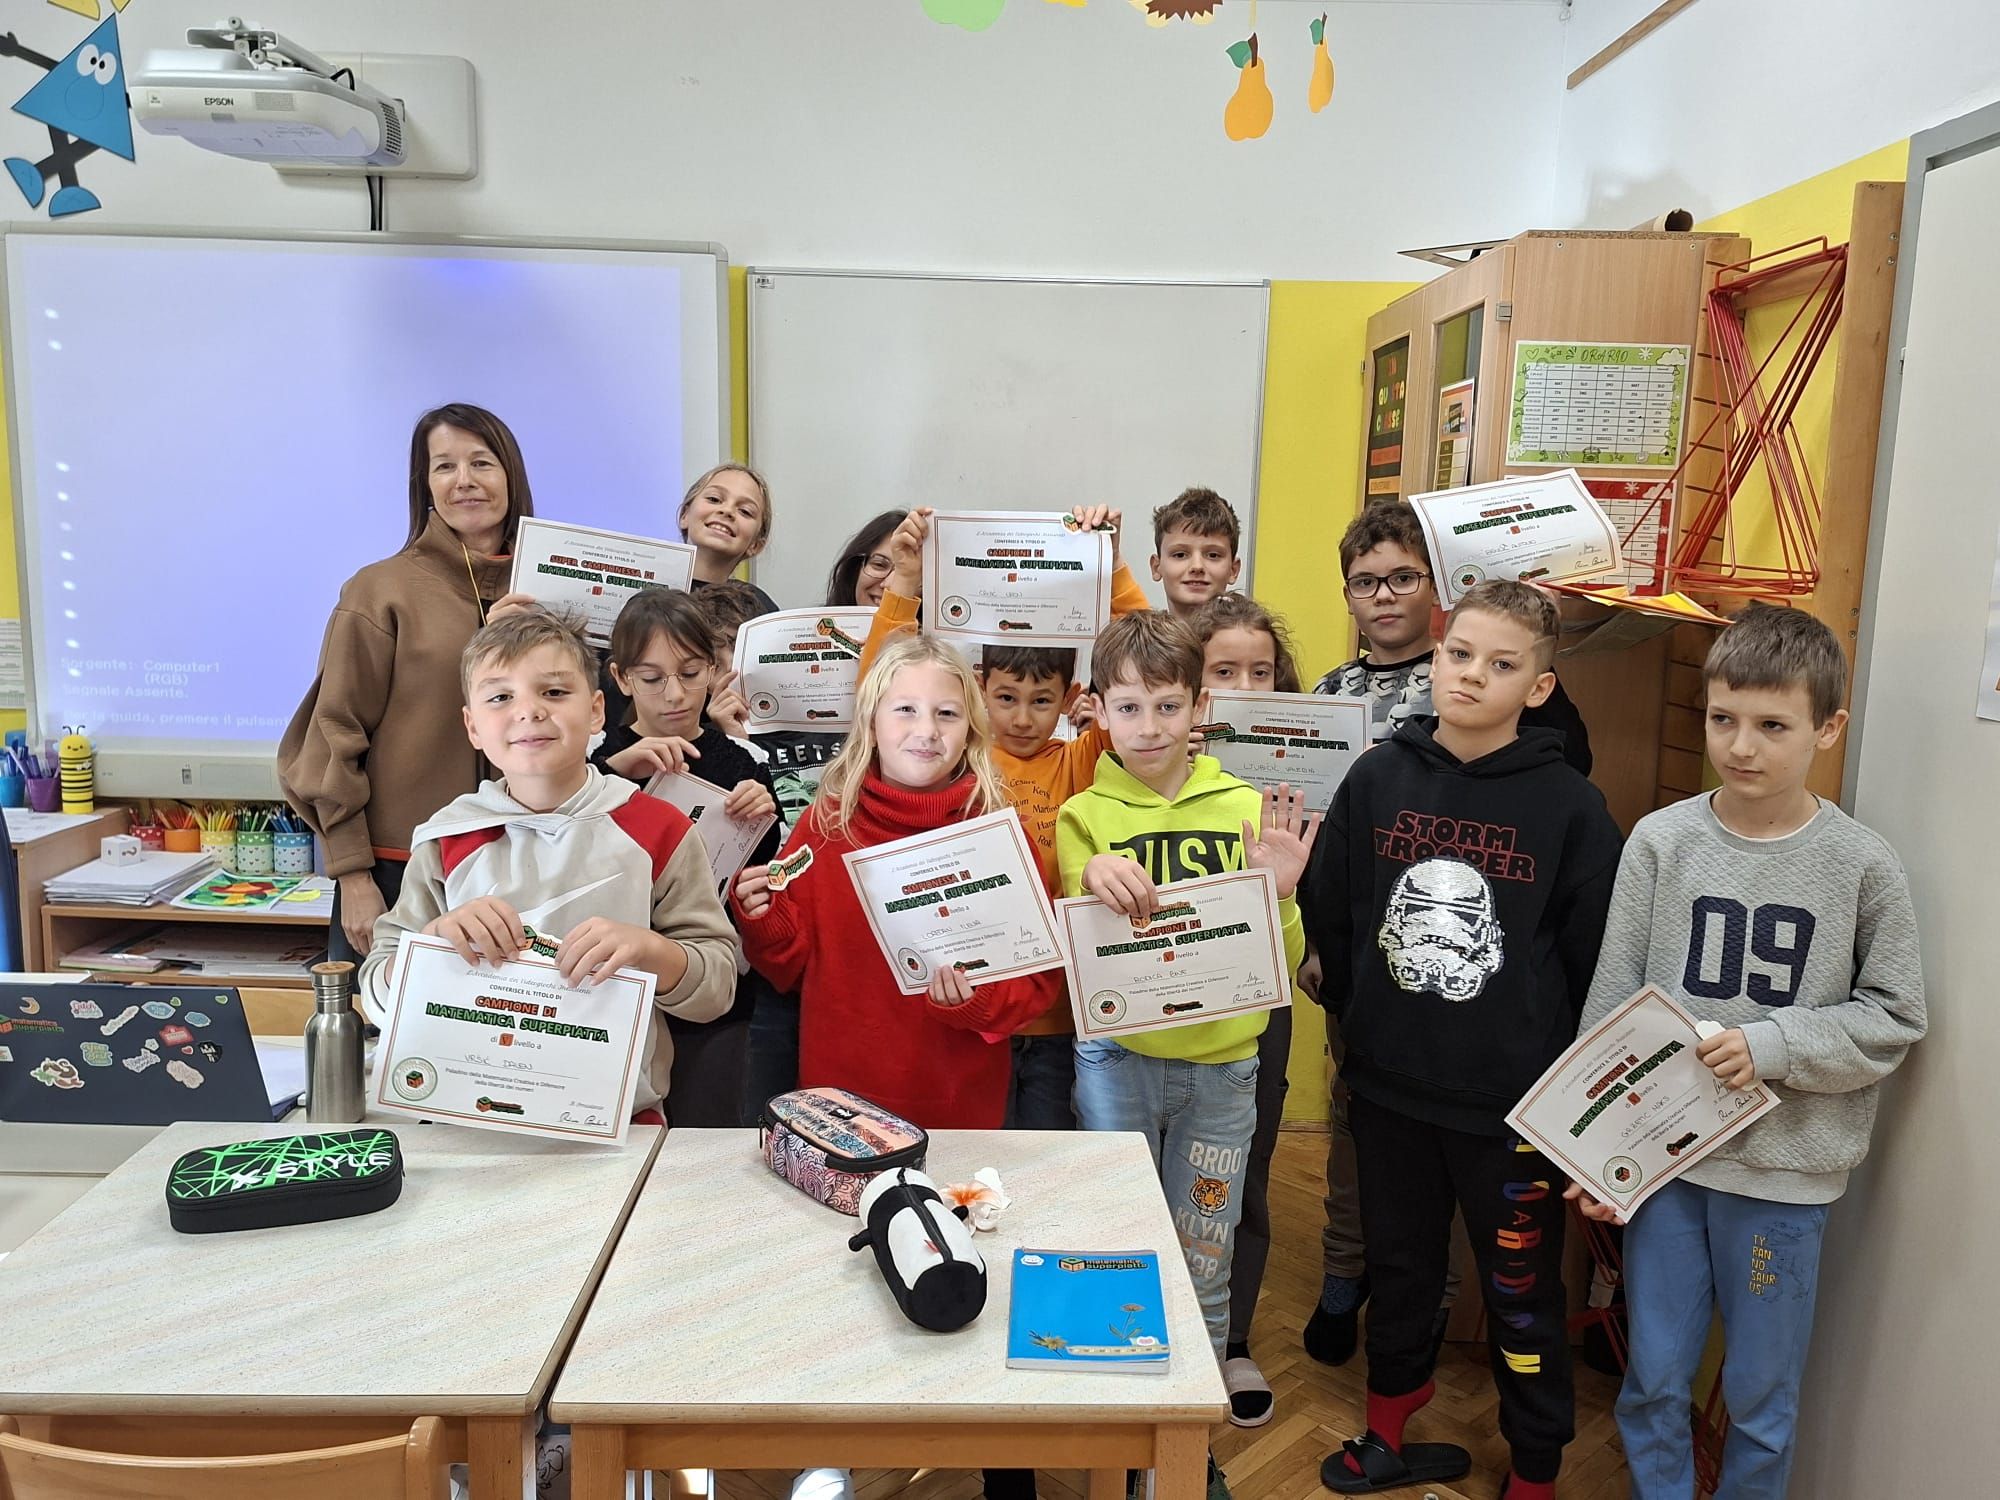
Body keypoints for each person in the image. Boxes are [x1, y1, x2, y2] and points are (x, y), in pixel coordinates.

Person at [1568, 603, 1925, 1500]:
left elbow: (1894, 1017)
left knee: (1762, 1398)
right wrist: (1591, 1150)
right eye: (1723, 718)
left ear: (1827, 728)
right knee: (1653, 1378)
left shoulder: (1862, 864)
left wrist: (1772, 1045)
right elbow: (1614, 1001)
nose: (1741, 746)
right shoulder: (1661, 841)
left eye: (1773, 726)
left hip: (1782, 1180)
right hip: (1665, 1170)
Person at [1303, 581, 1622, 1500]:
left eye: (1502, 663)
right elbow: (1335, 910)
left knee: (1520, 1291)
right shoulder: (1377, 779)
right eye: (1459, 653)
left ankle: (1535, 1469)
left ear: (1539, 687)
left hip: (1512, 1112)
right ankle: (1387, 1424)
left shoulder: (1572, 808)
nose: (1472, 675)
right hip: (1389, 1089)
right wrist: (1359, 1022)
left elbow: (1595, 958)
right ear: (1437, 656)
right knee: (1399, 1268)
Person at [1057, 610, 1317, 1500]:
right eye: (1129, 709)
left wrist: (1282, 895)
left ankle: (1182, 1452)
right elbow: (1079, 942)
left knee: (1204, 1259)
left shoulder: (1245, 807)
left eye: (1168, 706)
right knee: (1119, 1248)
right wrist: (1090, 878)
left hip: (1223, 1072)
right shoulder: (1084, 814)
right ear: (1098, 710)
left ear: (1200, 708)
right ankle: (1119, 1443)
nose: (1150, 728)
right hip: (1118, 1066)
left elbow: (1279, 965)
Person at [354, 607, 737, 1117]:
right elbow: (377, 992)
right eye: (500, 697)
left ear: (597, 711)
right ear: (472, 726)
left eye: (554, 692)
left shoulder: (659, 830)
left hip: (615, 1120)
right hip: (463, 1114)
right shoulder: (446, 838)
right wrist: (433, 943)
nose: (529, 711)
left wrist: (651, 952)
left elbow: (717, 989)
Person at [855, 503, 1150, 1131]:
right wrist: (904, 583)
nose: (1021, 717)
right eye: (1006, 698)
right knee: (976, 1148)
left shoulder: (1082, 761)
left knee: (1042, 1154)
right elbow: (880, 690)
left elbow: (1146, 669)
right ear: (978, 688)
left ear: (1072, 699)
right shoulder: (959, 761)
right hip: (969, 1005)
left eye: (1041, 701)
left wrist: (1112, 567)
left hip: (1058, 1015)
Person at [732, 633, 1060, 1128]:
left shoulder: (997, 837)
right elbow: (788, 971)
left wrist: (975, 1002)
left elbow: (1038, 984)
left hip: (960, 1109)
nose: (926, 730)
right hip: (840, 1108)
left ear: (971, 730)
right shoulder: (827, 826)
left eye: (946, 714)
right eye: (905, 710)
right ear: (871, 723)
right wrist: (764, 919)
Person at [280, 402, 542, 965]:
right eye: (444, 466)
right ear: (425, 485)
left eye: (481, 462)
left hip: (529, 863)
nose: (464, 480)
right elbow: (332, 735)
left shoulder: (547, 591)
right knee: (381, 1020)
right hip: (399, 868)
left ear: (511, 476)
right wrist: (354, 876)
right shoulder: (379, 590)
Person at [594, 586, 782, 1126]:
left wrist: (764, 815)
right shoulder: (595, 757)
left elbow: (759, 877)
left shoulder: (743, 758)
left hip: (713, 990)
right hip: (613, 983)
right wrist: (613, 773)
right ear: (622, 678)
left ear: (713, 670)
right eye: (652, 679)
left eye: (691, 673)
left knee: (707, 1129)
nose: (675, 694)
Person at [1186, 592, 1307, 1427]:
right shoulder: (1148, 757)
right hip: (1162, 1004)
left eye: (1260, 673)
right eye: (1222, 671)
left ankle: (1231, 1340)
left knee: (1244, 1171)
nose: (1243, 688)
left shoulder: (1299, 769)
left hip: (1260, 995)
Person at [679, 462, 781, 616]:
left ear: (755, 545)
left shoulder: (758, 607)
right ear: (685, 515)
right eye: (714, 499)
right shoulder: (650, 587)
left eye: (745, 511)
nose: (727, 511)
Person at [1150, 487, 1243, 618]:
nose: (1197, 566)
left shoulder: (1255, 630)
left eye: (1213, 555)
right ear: (1156, 567)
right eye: (1180, 555)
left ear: (1233, 570)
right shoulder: (1136, 631)